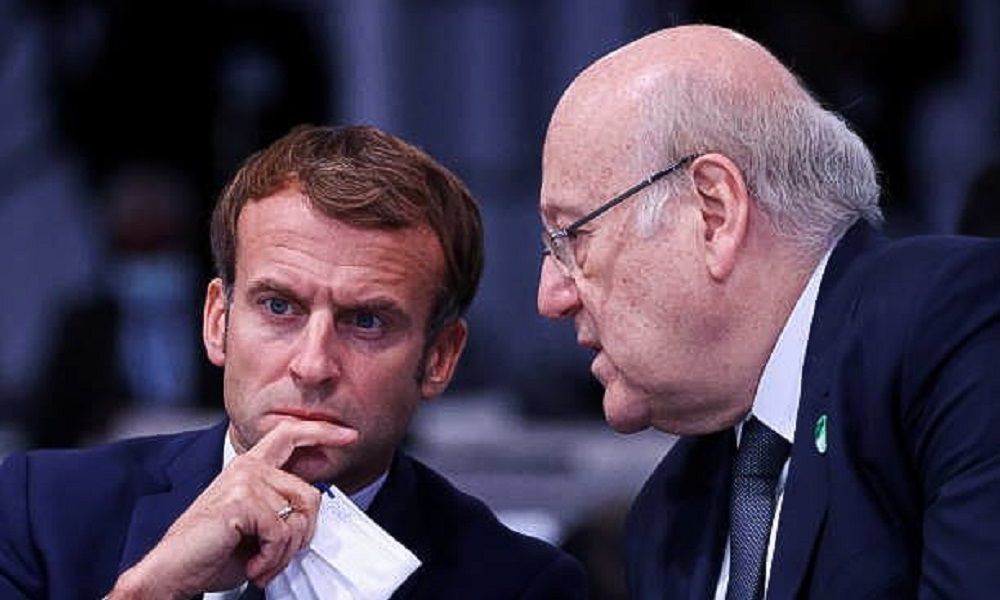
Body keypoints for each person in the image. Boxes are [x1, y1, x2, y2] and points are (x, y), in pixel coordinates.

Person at [0, 125, 586, 599]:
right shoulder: (41, 509)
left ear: (439, 357)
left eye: (366, 321)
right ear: (218, 321)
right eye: (279, 307)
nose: (312, 365)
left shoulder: (520, 586)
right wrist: (151, 592)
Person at [536, 24, 1000, 599]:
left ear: (714, 213)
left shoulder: (955, 328)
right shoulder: (667, 521)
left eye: (571, 238)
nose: (550, 296)